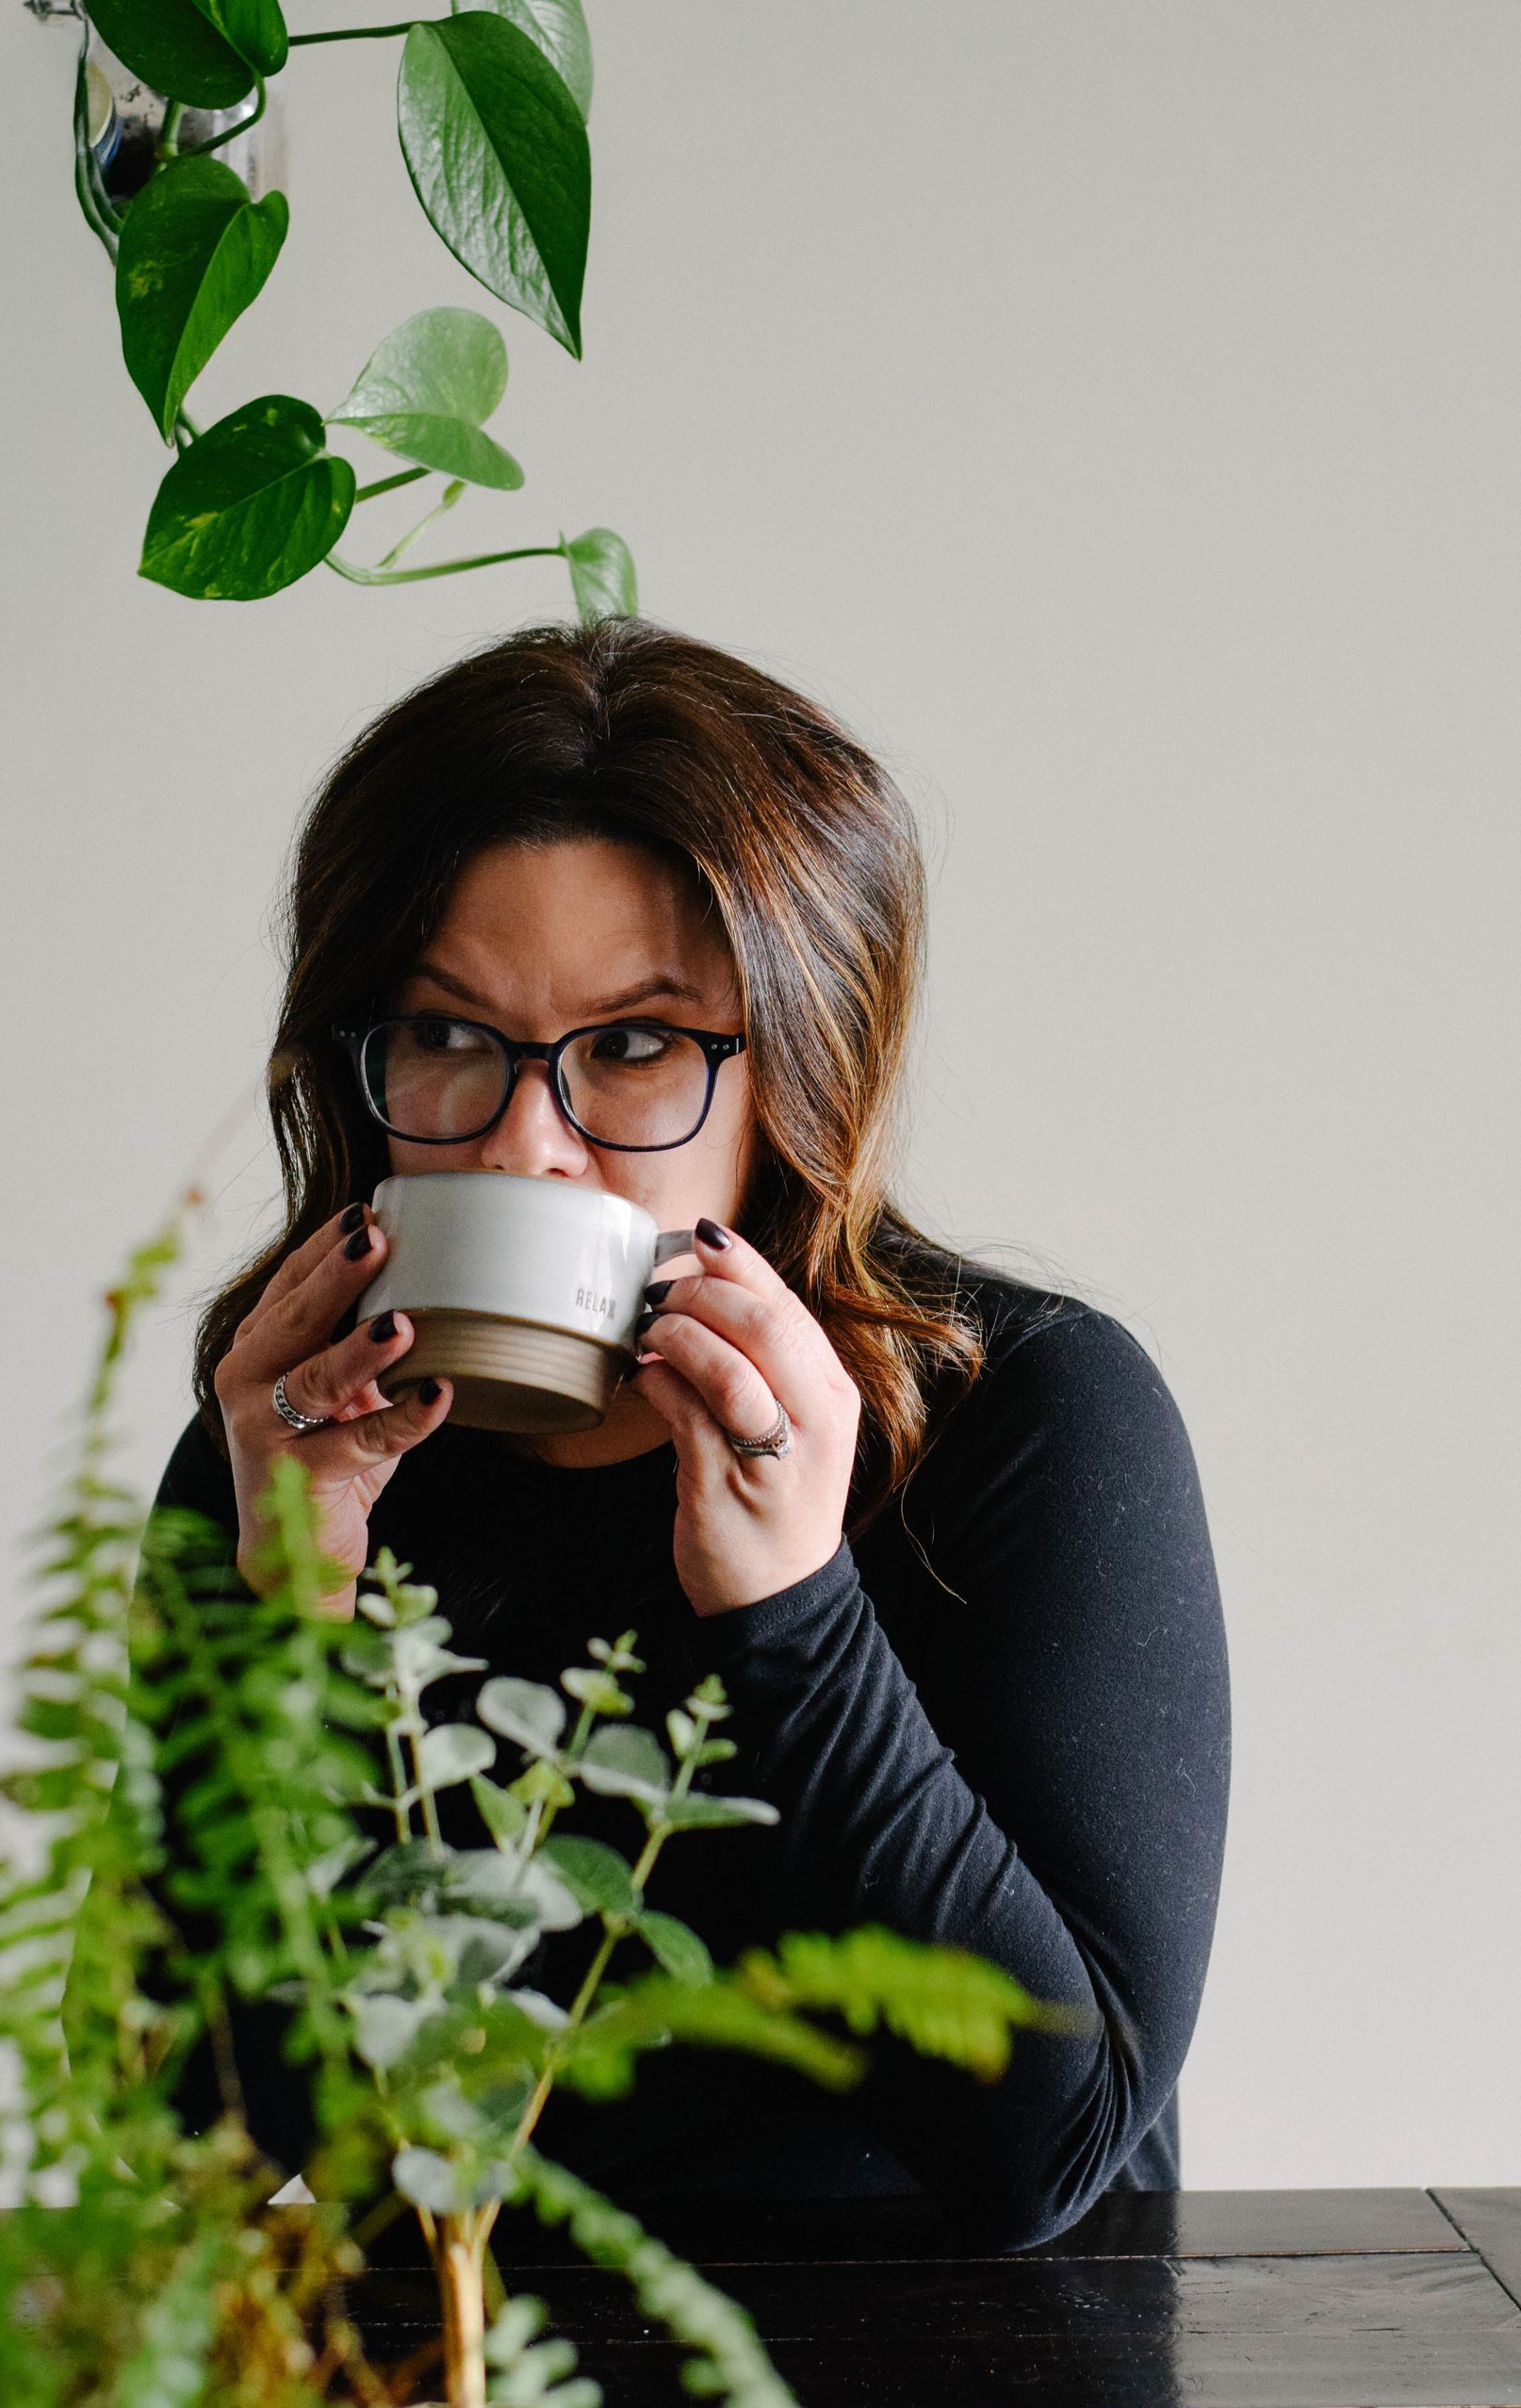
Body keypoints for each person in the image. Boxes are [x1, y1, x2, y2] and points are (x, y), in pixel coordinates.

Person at [155, 619, 1229, 2248]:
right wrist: (283, 1611)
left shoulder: (1027, 1421)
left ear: (800, 1068)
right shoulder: (302, 1435)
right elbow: (191, 2125)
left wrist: (793, 1606)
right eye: (448, 1035)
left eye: (637, 1046)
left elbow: (1044, 2155)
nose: (527, 1146)